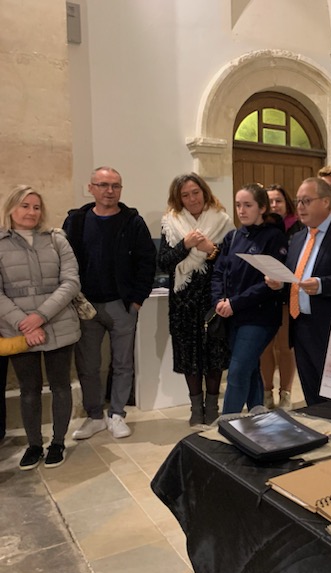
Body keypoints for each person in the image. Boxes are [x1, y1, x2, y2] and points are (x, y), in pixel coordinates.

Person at [63, 167, 156, 440]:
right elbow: (64, 260)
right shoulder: (76, 221)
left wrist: (138, 300)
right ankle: (95, 417)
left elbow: (146, 261)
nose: (109, 191)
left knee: (123, 363)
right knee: (88, 365)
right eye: (103, 185)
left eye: (115, 186)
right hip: (86, 305)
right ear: (91, 188)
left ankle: (117, 414)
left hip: (122, 305)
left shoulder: (133, 222)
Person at [265, 177, 331, 406]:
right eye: (298, 201)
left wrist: (324, 285)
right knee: (312, 395)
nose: (300, 207)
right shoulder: (297, 238)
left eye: (306, 201)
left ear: (326, 201)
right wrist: (280, 285)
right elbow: (294, 280)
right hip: (301, 325)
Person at [0, 186, 81, 469]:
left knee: (61, 386)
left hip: (58, 323)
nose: (31, 212)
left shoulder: (57, 240)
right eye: (25, 206)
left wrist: (40, 317)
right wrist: (25, 322)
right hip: (18, 328)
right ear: (11, 208)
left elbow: (70, 282)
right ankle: (34, 445)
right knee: (29, 389)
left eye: (36, 207)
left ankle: (58, 442)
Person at [158, 173, 234, 426]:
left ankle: (212, 407)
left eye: (195, 192)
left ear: (204, 192)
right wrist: (185, 244)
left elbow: (230, 262)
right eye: (185, 195)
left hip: (213, 297)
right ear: (178, 199)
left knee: (214, 354)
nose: (192, 199)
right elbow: (164, 263)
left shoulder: (223, 221)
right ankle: (195, 408)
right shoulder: (170, 222)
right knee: (189, 356)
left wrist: (210, 250)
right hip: (183, 300)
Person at [212, 184, 287, 415]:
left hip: (260, 316)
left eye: (248, 205)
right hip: (233, 315)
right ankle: (257, 412)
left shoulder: (274, 237)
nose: (241, 210)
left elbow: (268, 284)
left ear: (262, 207)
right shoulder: (233, 236)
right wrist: (218, 300)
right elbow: (218, 272)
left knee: (237, 371)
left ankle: (227, 421)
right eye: (238, 205)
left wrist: (235, 303)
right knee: (250, 366)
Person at [259, 184, 301, 410]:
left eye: (279, 201)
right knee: (265, 347)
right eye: (270, 201)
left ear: (287, 204)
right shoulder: (260, 229)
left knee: (284, 347)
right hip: (264, 296)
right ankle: (267, 393)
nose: (274, 205)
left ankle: (285, 394)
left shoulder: (298, 229)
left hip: (287, 296)